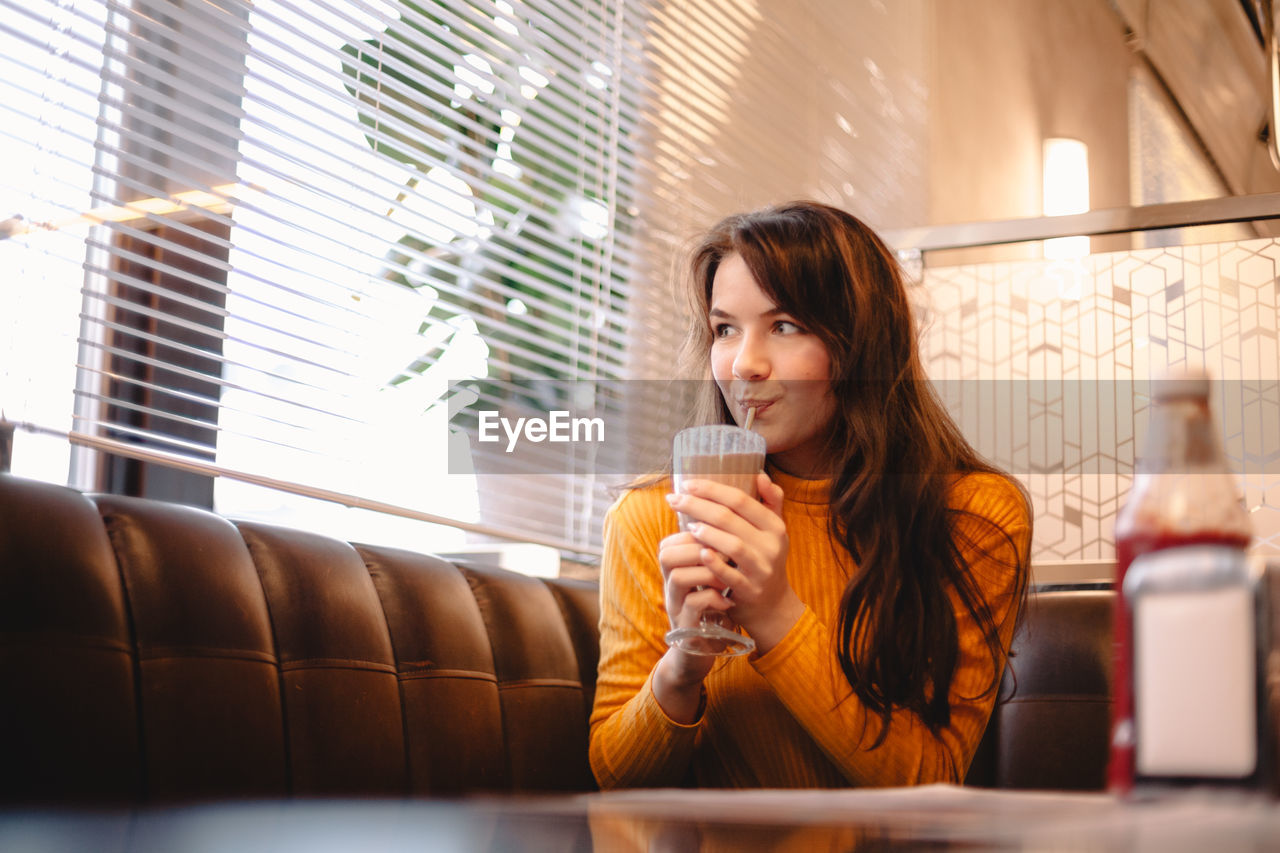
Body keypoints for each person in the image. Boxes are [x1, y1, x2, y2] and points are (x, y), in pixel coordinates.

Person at [588, 200, 1032, 789]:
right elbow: (615, 782)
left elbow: (928, 778)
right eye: (725, 329)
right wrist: (683, 667)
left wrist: (774, 613)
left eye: (785, 326)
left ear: (862, 343)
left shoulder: (972, 513)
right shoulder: (654, 518)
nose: (743, 363)